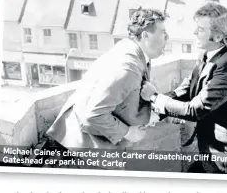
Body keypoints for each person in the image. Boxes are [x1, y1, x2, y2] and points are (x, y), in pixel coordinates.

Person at [140, 1, 227, 174]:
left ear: (218, 36)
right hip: (213, 149)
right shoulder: (210, 54)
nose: (194, 32)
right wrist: (157, 111)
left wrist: (154, 98)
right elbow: (188, 87)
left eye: (201, 29)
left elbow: (196, 110)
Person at [46, 8, 168, 154]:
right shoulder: (128, 67)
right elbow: (94, 114)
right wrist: (128, 132)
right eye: (162, 32)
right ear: (145, 35)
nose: (167, 37)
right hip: (80, 147)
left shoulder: (132, 50)